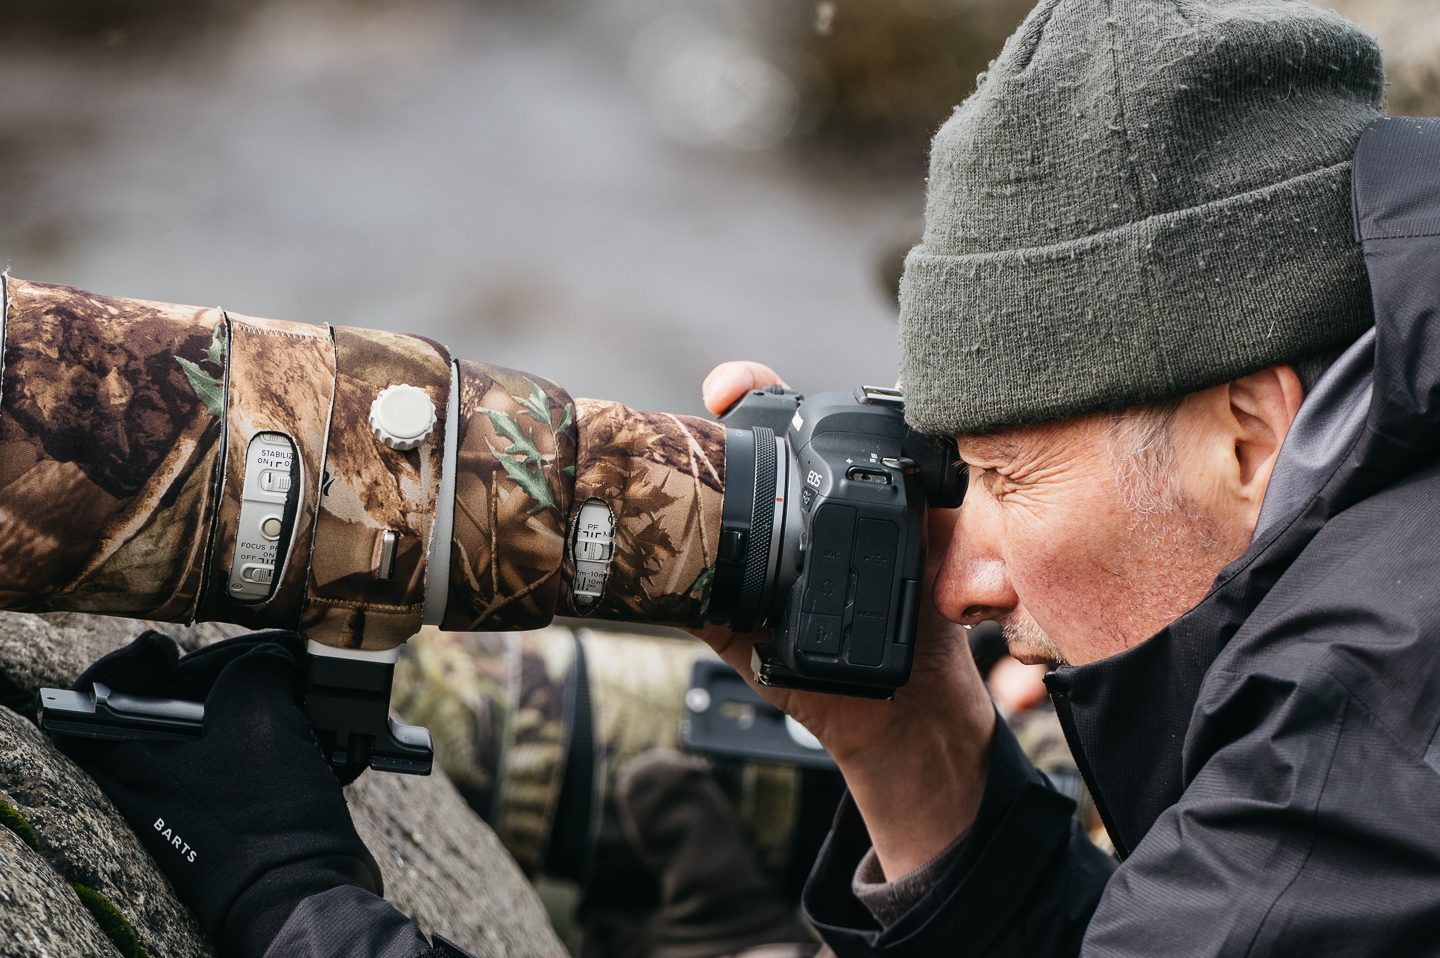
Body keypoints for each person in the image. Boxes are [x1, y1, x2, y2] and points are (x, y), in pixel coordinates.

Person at [55, 0, 1440, 955]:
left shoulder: (1365, 723)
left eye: (1007, 475)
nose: (963, 574)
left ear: (1249, 436)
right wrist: (915, 750)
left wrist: (293, 898)